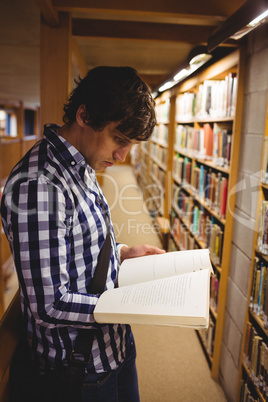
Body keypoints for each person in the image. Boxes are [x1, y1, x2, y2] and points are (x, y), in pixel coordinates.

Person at [1, 66, 165, 402]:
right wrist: (127, 304)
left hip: (115, 348)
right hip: (80, 370)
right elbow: (49, 304)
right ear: (84, 116)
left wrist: (120, 252)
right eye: (119, 140)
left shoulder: (82, 163)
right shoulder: (39, 187)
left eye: (130, 144)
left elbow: (82, 241)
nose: (123, 156)